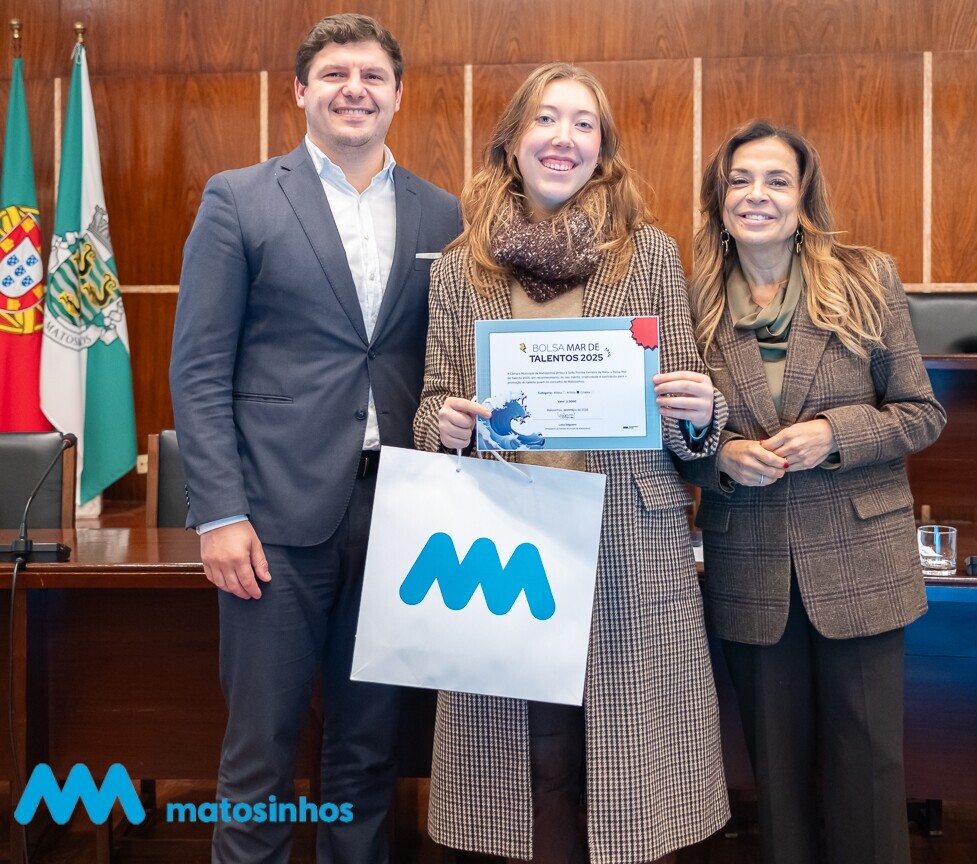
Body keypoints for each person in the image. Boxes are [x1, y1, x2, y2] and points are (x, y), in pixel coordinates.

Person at [412, 62, 730, 864]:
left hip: (628, 538)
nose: (564, 138)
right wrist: (444, 423)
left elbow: (691, 421)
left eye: (583, 124)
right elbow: (434, 401)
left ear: (602, 148)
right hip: (508, 546)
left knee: (625, 766)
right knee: (531, 764)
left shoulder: (648, 255)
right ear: (512, 143)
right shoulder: (459, 267)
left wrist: (702, 411)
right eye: (546, 120)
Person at [169, 14, 461, 863]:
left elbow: (445, 358)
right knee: (260, 753)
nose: (354, 90)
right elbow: (199, 368)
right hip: (272, 522)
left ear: (398, 95)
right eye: (335, 74)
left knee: (367, 754)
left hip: (400, 515)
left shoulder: (443, 213)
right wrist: (219, 513)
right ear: (301, 91)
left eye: (372, 76)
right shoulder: (240, 198)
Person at [680, 119, 946, 864]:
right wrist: (719, 456)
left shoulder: (866, 279)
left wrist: (834, 434)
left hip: (861, 561)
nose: (756, 195)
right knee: (779, 787)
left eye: (777, 180)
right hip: (750, 565)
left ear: (804, 198)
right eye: (740, 180)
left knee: (869, 777)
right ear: (719, 198)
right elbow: (667, 441)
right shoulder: (690, 300)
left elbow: (922, 413)